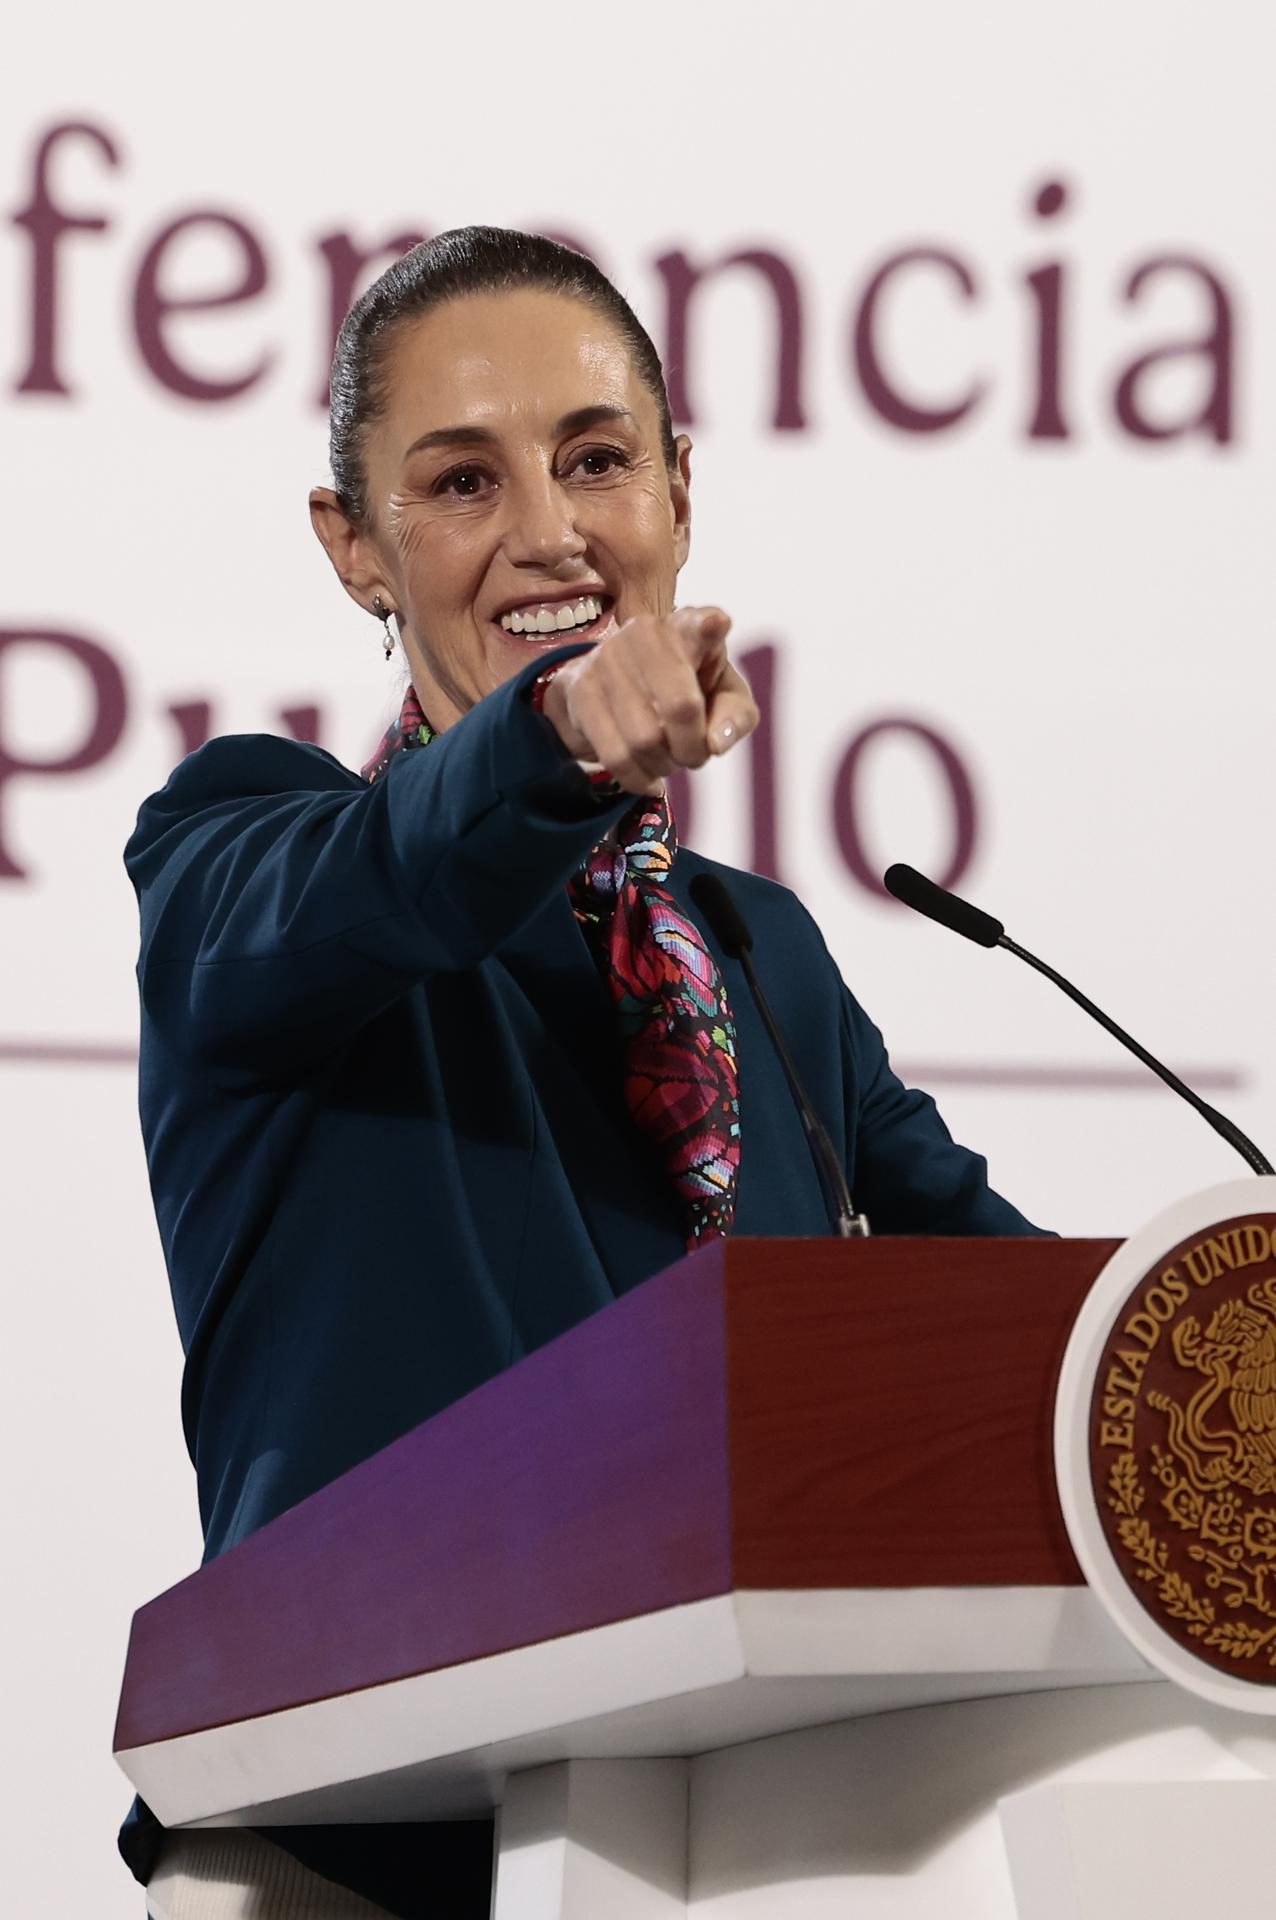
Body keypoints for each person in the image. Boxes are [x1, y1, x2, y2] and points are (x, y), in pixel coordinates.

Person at [122, 226, 1043, 1920]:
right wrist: (551, 735)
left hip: (741, 1841)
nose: (549, 531)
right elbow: (396, 867)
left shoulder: (763, 956)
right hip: (360, 1848)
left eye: (597, 459)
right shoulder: (245, 850)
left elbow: (1016, 1328)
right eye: (461, 483)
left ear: (680, 494)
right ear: (357, 548)